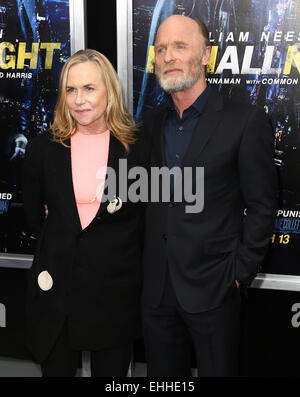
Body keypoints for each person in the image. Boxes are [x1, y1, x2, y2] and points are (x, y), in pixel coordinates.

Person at [140, 15, 278, 377]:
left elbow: (262, 206)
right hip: (156, 292)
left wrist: (237, 275)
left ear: (206, 55)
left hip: (215, 289)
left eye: (180, 46)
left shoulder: (244, 121)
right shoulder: (150, 124)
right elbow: (132, 190)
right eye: (161, 49)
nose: (168, 56)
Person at [22, 49, 144, 377]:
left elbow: (144, 219)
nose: (79, 100)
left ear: (110, 91)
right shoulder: (43, 148)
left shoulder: (135, 149)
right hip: (57, 291)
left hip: (114, 293)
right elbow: (34, 218)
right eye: (71, 90)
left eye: (89, 88)